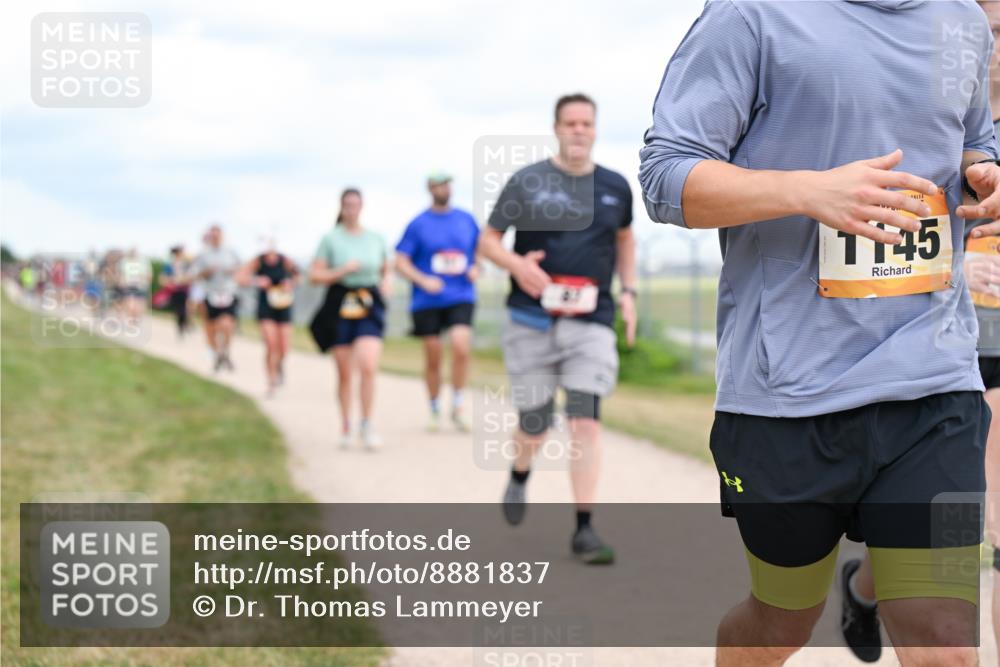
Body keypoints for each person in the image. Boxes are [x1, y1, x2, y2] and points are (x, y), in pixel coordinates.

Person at [639, 2, 1000, 665]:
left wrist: (986, 170)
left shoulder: (964, 22)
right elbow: (667, 177)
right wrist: (809, 191)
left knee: (944, 638)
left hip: (934, 378)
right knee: (780, 621)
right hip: (790, 392)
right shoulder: (752, 15)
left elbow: (978, 135)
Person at [837, 2, 1000, 662]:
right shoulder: (913, 103)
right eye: (981, 28)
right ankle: (869, 581)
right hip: (934, 338)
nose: (990, 42)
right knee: (951, 521)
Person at [479, 93, 637, 565]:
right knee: (535, 421)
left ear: (595, 129)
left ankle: (584, 529)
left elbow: (625, 239)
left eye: (586, 122)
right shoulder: (527, 182)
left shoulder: (615, 186)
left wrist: (628, 291)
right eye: (570, 123)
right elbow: (487, 242)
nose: (578, 130)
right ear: (556, 128)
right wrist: (515, 265)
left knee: (585, 420)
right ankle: (520, 471)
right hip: (532, 321)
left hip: (591, 322)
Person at [395, 171, 480, 432]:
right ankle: (434, 407)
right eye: (438, 185)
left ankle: (458, 404)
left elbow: (482, 247)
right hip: (427, 298)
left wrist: (477, 266)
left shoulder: (466, 219)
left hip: (460, 294)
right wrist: (422, 280)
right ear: (430, 188)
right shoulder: (418, 224)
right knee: (433, 355)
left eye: (446, 184)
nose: (443, 189)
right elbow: (400, 261)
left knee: (460, 345)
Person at [309, 188, 391, 450]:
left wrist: (387, 281)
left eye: (356, 204)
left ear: (362, 206)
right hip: (340, 302)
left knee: (368, 365)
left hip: (368, 302)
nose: (352, 209)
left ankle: (366, 423)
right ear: (341, 207)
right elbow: (315, 276)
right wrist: (341, 270)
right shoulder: (331, 239)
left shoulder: (376, 238)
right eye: (347, 205)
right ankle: (346, 424)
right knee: (345, 372)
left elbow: (386, 267)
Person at [237, 241, 299, 394]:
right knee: (271, 345)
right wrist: (256, 281)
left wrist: (290, 283)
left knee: (284, 348)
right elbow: (239, 278)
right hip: (265, 306)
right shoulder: (257, 261)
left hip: (284, 305)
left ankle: (279, 365)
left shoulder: (285, 260)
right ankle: (271, 381)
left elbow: (299, 277)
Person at [192, 225, 241, 372]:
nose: (215, 237)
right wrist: (206, 272)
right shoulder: (203, 254)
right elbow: (196, 273)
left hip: (228, 292)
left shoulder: (231, 252)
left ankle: (225, 351)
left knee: (227, 324)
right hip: (210, 293)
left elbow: (241, 269)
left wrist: (231, 271)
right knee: (211, 327)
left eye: (217, 235)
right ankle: (217, 353)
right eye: (212, 235)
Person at [159, 246, 191, 338]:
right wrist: (169, 281)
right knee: (179, 310)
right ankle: (181, 327)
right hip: (174, 290)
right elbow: (163, 277)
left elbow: (191, 275)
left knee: (185, 308)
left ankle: (185, 325)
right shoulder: (169, 265)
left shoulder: (186, 264)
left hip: (185, 289)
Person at [118, 248, 151, 325]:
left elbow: (148, 275)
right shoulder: (124, 262)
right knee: (129, 303)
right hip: (128, 286)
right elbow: (121, 274)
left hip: (141, 286)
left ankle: (136, 318)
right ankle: (131, 318)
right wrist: (121, 282)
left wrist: (145, 281)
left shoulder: (143, 262)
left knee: (139, 305)